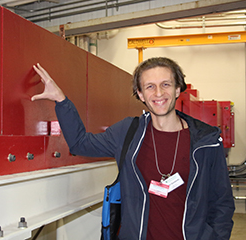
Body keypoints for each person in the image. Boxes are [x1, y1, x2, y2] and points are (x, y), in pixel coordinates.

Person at [31, 57, 235, 240]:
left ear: (177, 89)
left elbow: (221, 201)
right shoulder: (128, 132)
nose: (159, 93)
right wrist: (61, 100)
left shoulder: (206, 140)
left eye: (166, 84)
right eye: (149, 87)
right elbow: (80, 143)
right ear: (140, 94)